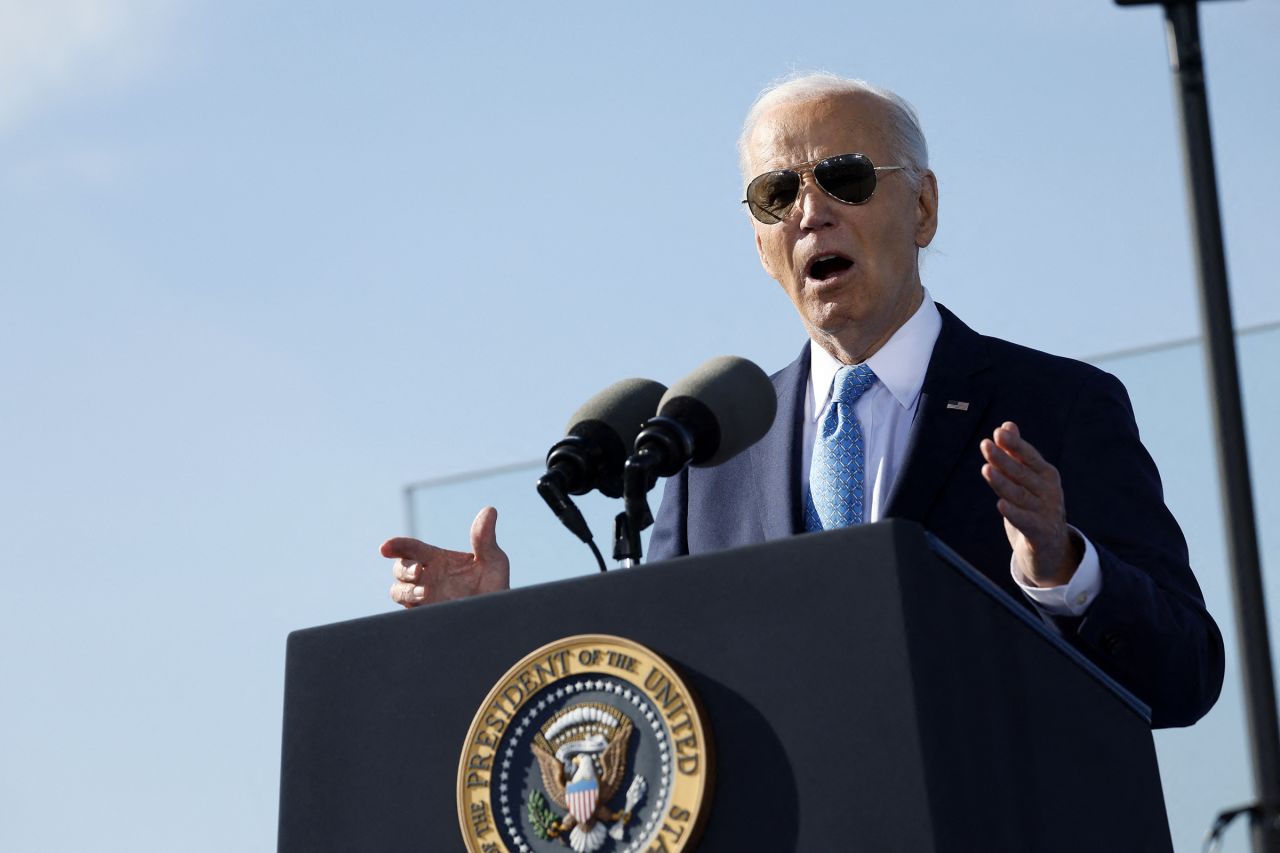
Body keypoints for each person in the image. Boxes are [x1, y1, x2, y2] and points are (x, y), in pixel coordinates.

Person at [382, 73, 1224, 728]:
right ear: (760, 244)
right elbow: (655, 700)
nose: (811, 212)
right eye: (777, 195)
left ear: (923, 207)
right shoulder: (709, 450)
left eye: (845, 177)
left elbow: (1187, 676)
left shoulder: (1059, 405)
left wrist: (1063, 570)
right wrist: (491, 631)